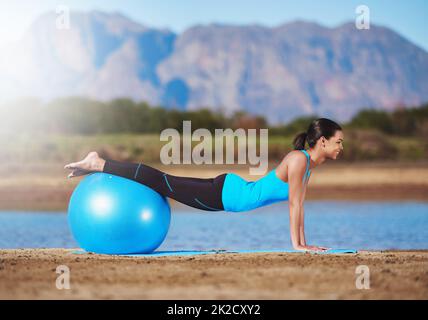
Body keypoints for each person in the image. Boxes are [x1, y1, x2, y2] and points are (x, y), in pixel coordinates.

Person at [65, 118, 344, 252]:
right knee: (163, 182)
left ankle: (100, 163)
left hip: (230, 192)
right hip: (225, 195)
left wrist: (304, 244)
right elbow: (295, 205)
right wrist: (299, 245)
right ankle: (99, 163)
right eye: (338, 141)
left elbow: (299, 205)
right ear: (323, 141)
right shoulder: (298, 161)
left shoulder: (307, 164)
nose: (341, 146)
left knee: (165, 183)